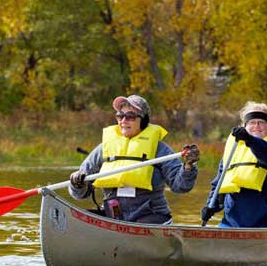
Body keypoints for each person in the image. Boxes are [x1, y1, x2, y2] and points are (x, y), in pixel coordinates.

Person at [68, 95, 200, 224]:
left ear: (143, 120)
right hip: (114, 216)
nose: (123, 121)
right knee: (77, 219)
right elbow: (79, 194)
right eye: (120, 116)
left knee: (145, 223)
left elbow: (181, 187)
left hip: (151, 217)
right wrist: (77, 184)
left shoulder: (160, 150)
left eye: (130, 116)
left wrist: (188, 167)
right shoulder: (103, 149)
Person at [201, 102, 267, 228]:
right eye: (252, 122)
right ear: (245, 126)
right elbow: (218, 182)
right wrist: (210, 206)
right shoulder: (233, 149)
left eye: (261, 122)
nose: (257, 126)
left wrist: (251, 140)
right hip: (232, 223)